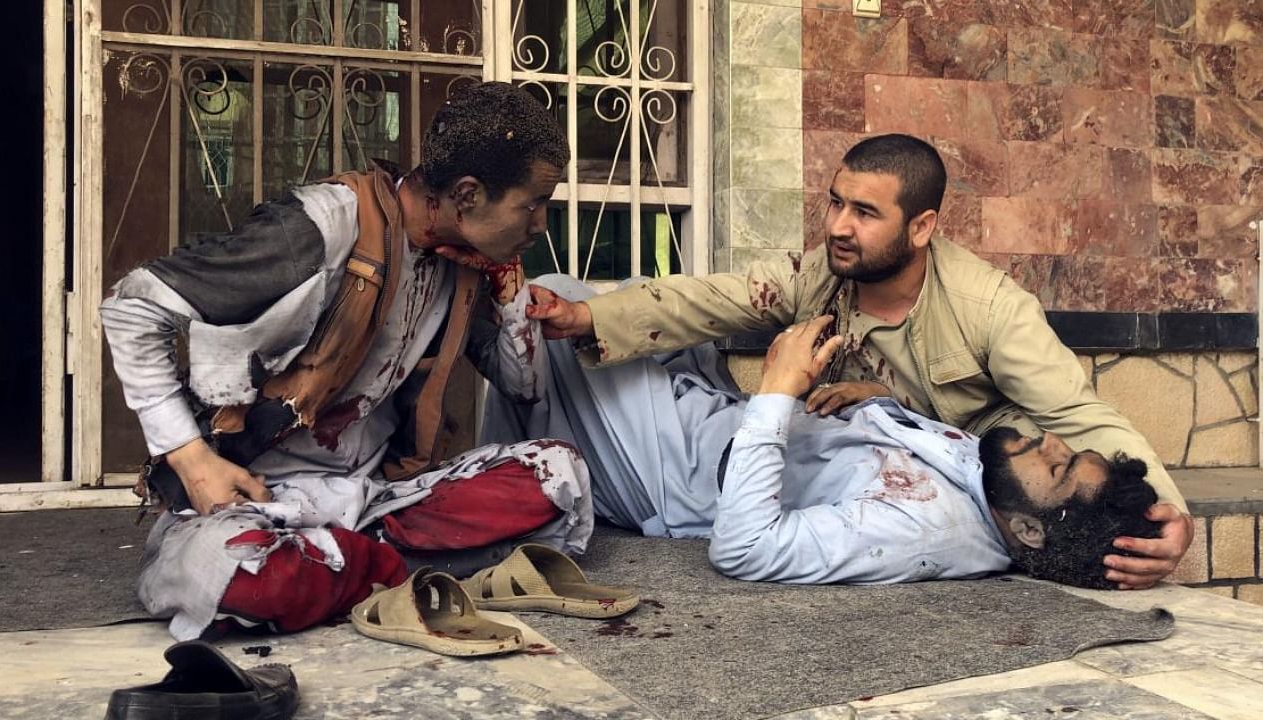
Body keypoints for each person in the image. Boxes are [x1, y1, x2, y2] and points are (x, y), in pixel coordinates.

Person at [523, 133, 1191, 590]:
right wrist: (590, 320)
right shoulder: (827, 270)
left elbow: (1076, 415)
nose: (840, 225)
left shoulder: (992, 311)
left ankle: (532, 485)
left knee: (555, 349)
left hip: (836, 479)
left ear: (921, 227)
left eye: (865, 212)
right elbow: (721, 299)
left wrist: (1167, 512)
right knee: (606, 315)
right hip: (820, 449)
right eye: (836, 202)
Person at [101, 82, 593, 641]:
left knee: (558, 474)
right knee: (231, 569)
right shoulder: (323, 225)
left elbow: (520, 387)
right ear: (467, 194)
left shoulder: (464, 261)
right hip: (256, 500)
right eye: (533, 203)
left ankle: (347, 566)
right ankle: (401, 574)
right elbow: (131, 307)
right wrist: (192, 461)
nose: (540, 224)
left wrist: (509, 293)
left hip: (375, 500)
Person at [484, 291, 1160, 587]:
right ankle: (538, 426)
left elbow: (744, 547)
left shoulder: (916, 532)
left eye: (1059, 466)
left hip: (679, 469)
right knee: (639, 315)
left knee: (557, 311)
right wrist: (885, 408)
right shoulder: (991, 487)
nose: (1048, 442)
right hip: (723, 417)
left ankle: (512, 462)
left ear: (1032, 533)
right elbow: (930, 457)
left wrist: (779, 389)